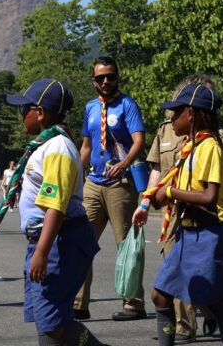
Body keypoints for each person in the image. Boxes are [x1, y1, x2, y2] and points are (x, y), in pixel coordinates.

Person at [135, 74, 223, 343]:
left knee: (215, 301)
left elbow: (209, 196)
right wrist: (158, 197)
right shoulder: (191, 147)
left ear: (190, 114)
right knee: (160, 295)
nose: (171, 118)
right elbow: (179, 183)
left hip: (209, 233)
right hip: (187, 231)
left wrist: (170, 192)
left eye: (176, 112)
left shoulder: (210, 146)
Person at [1, 78, 104, 346]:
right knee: (50, 320)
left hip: (61, 241)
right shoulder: (46, 145)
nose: (21, 115)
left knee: (52, 325)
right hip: (51, 240)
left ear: (40, 112)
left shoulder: (58, 148)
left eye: (24, 109)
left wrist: (42, 252)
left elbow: (56, 206)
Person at [75, 56, 146, 322]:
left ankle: (133, 304)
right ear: (93, 81)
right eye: (101, 77)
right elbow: (86, 146)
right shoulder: (90, 107)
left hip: (121, 184)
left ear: (117, 77)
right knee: (81, 242)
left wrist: (124, 164)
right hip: (93, 183)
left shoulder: (127, 104)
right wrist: (74, 176)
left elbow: (139, 140)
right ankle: (79, 304)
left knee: (126, 245)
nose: (106, 81)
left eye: (111, 76)